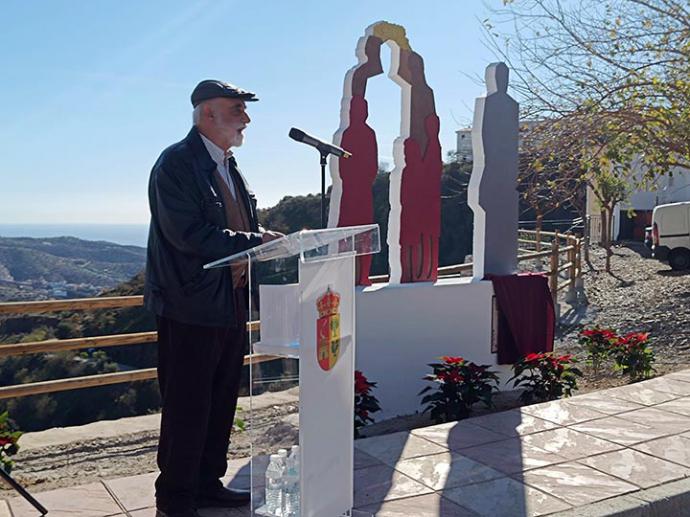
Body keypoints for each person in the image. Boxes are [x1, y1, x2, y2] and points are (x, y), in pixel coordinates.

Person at [144, 79, 283, 517]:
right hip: (190, 306)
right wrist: (256, 240)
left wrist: (260, 245)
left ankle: (206, 484)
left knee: (222, 398)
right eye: (237, 108)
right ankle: (176, 497)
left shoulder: (228, 164)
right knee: (188, 403)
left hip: (229, 302)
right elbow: (188, 235)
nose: (247, 117)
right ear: (208, 114)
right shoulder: (176, 164)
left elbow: (237, 227)